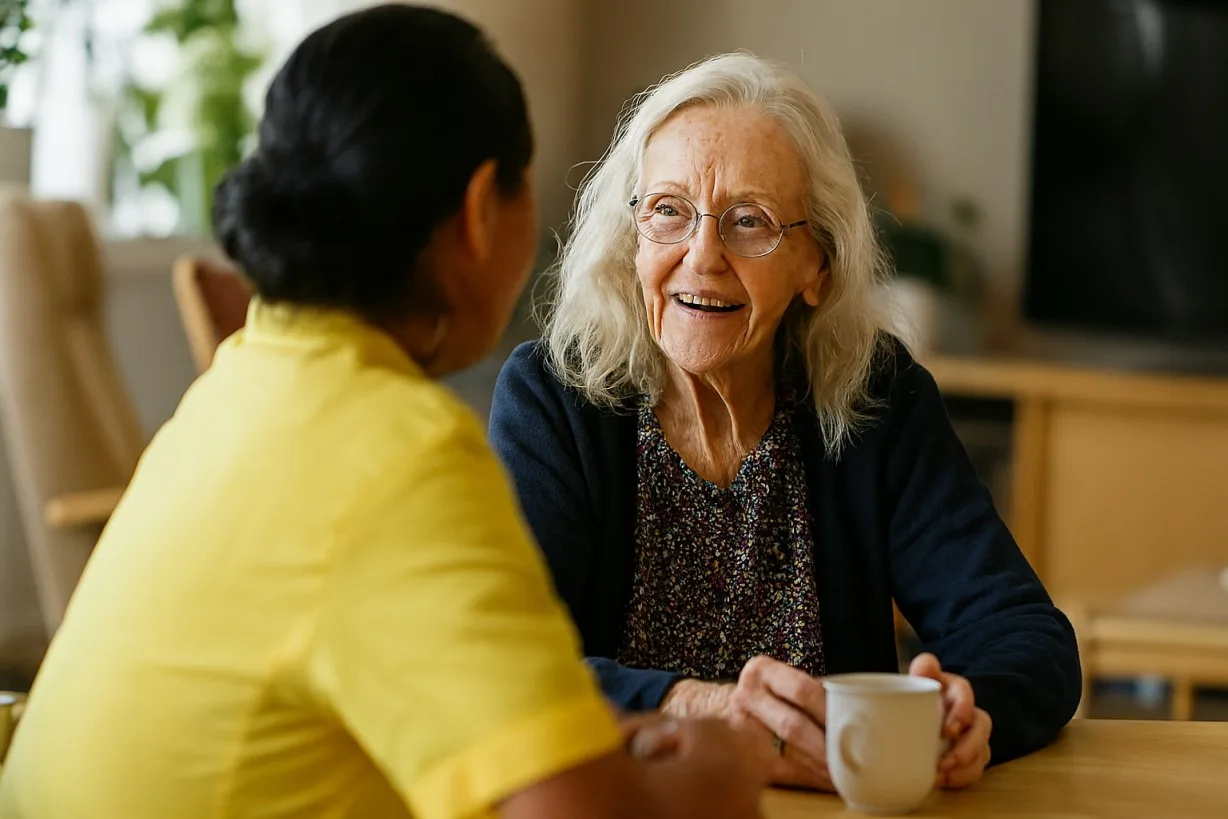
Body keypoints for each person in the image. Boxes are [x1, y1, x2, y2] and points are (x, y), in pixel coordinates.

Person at [0, 9, 767, 819]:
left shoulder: (243, 382)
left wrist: (572, 734)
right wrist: (719, 771)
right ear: (480, 211)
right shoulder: (403, 450)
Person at [489, 52, 1082, 792]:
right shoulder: (557, 397)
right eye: (668, 211)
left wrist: (971, 712)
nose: (701, 256)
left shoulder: (875, 399)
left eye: (750, 222)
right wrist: (701, 708)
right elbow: (503, 663)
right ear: (630, 237)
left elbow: (1028, 638)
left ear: (818, 265)